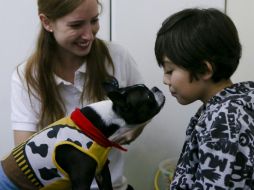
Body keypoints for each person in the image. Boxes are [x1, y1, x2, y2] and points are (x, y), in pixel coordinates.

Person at [10, 0, 145, 189]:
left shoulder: (117, 57)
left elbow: (146, 106)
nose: (89, 35)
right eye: (76, 25)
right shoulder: (26, 77)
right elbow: (25, 160)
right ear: (47, 22)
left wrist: (136, 127)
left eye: (94, 20)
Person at [155, 8, 254, 189]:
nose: (164, 79)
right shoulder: (233, 105)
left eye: (170, 70)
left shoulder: (225, 119)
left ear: (204, 69)